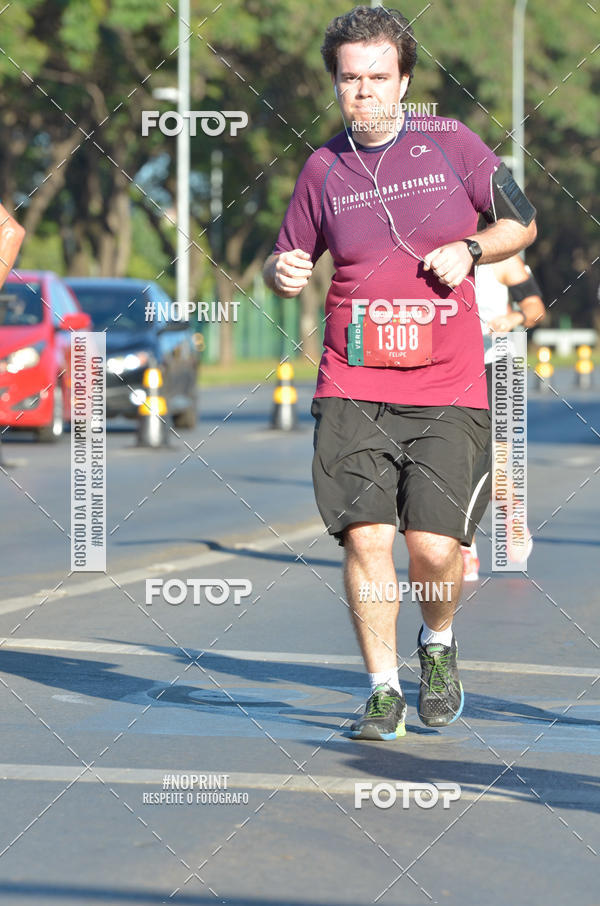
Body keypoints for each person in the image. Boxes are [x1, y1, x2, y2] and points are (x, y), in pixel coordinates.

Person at [263, 5, 537, 740]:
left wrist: (472, 249)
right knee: (366, 537)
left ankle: (436, 642)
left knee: (434, 550)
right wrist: (280, 271)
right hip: (352, 383)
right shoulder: (323, 169)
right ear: (336, 83)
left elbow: (523, 221)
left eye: (378, 77)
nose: (364, 91)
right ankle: (383, 691)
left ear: (405, 80)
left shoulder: (454, 144)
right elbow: (286, 254)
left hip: (448, 386)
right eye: (350, 78)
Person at [462, 256, 545, 580]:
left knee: (494, 466)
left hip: (497, 365)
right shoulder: (437, 250)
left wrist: (514, 317)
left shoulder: (504, 259)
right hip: (452, 370)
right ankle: (465, 546)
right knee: (454, 465)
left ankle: (512, 511)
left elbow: (536, 308)